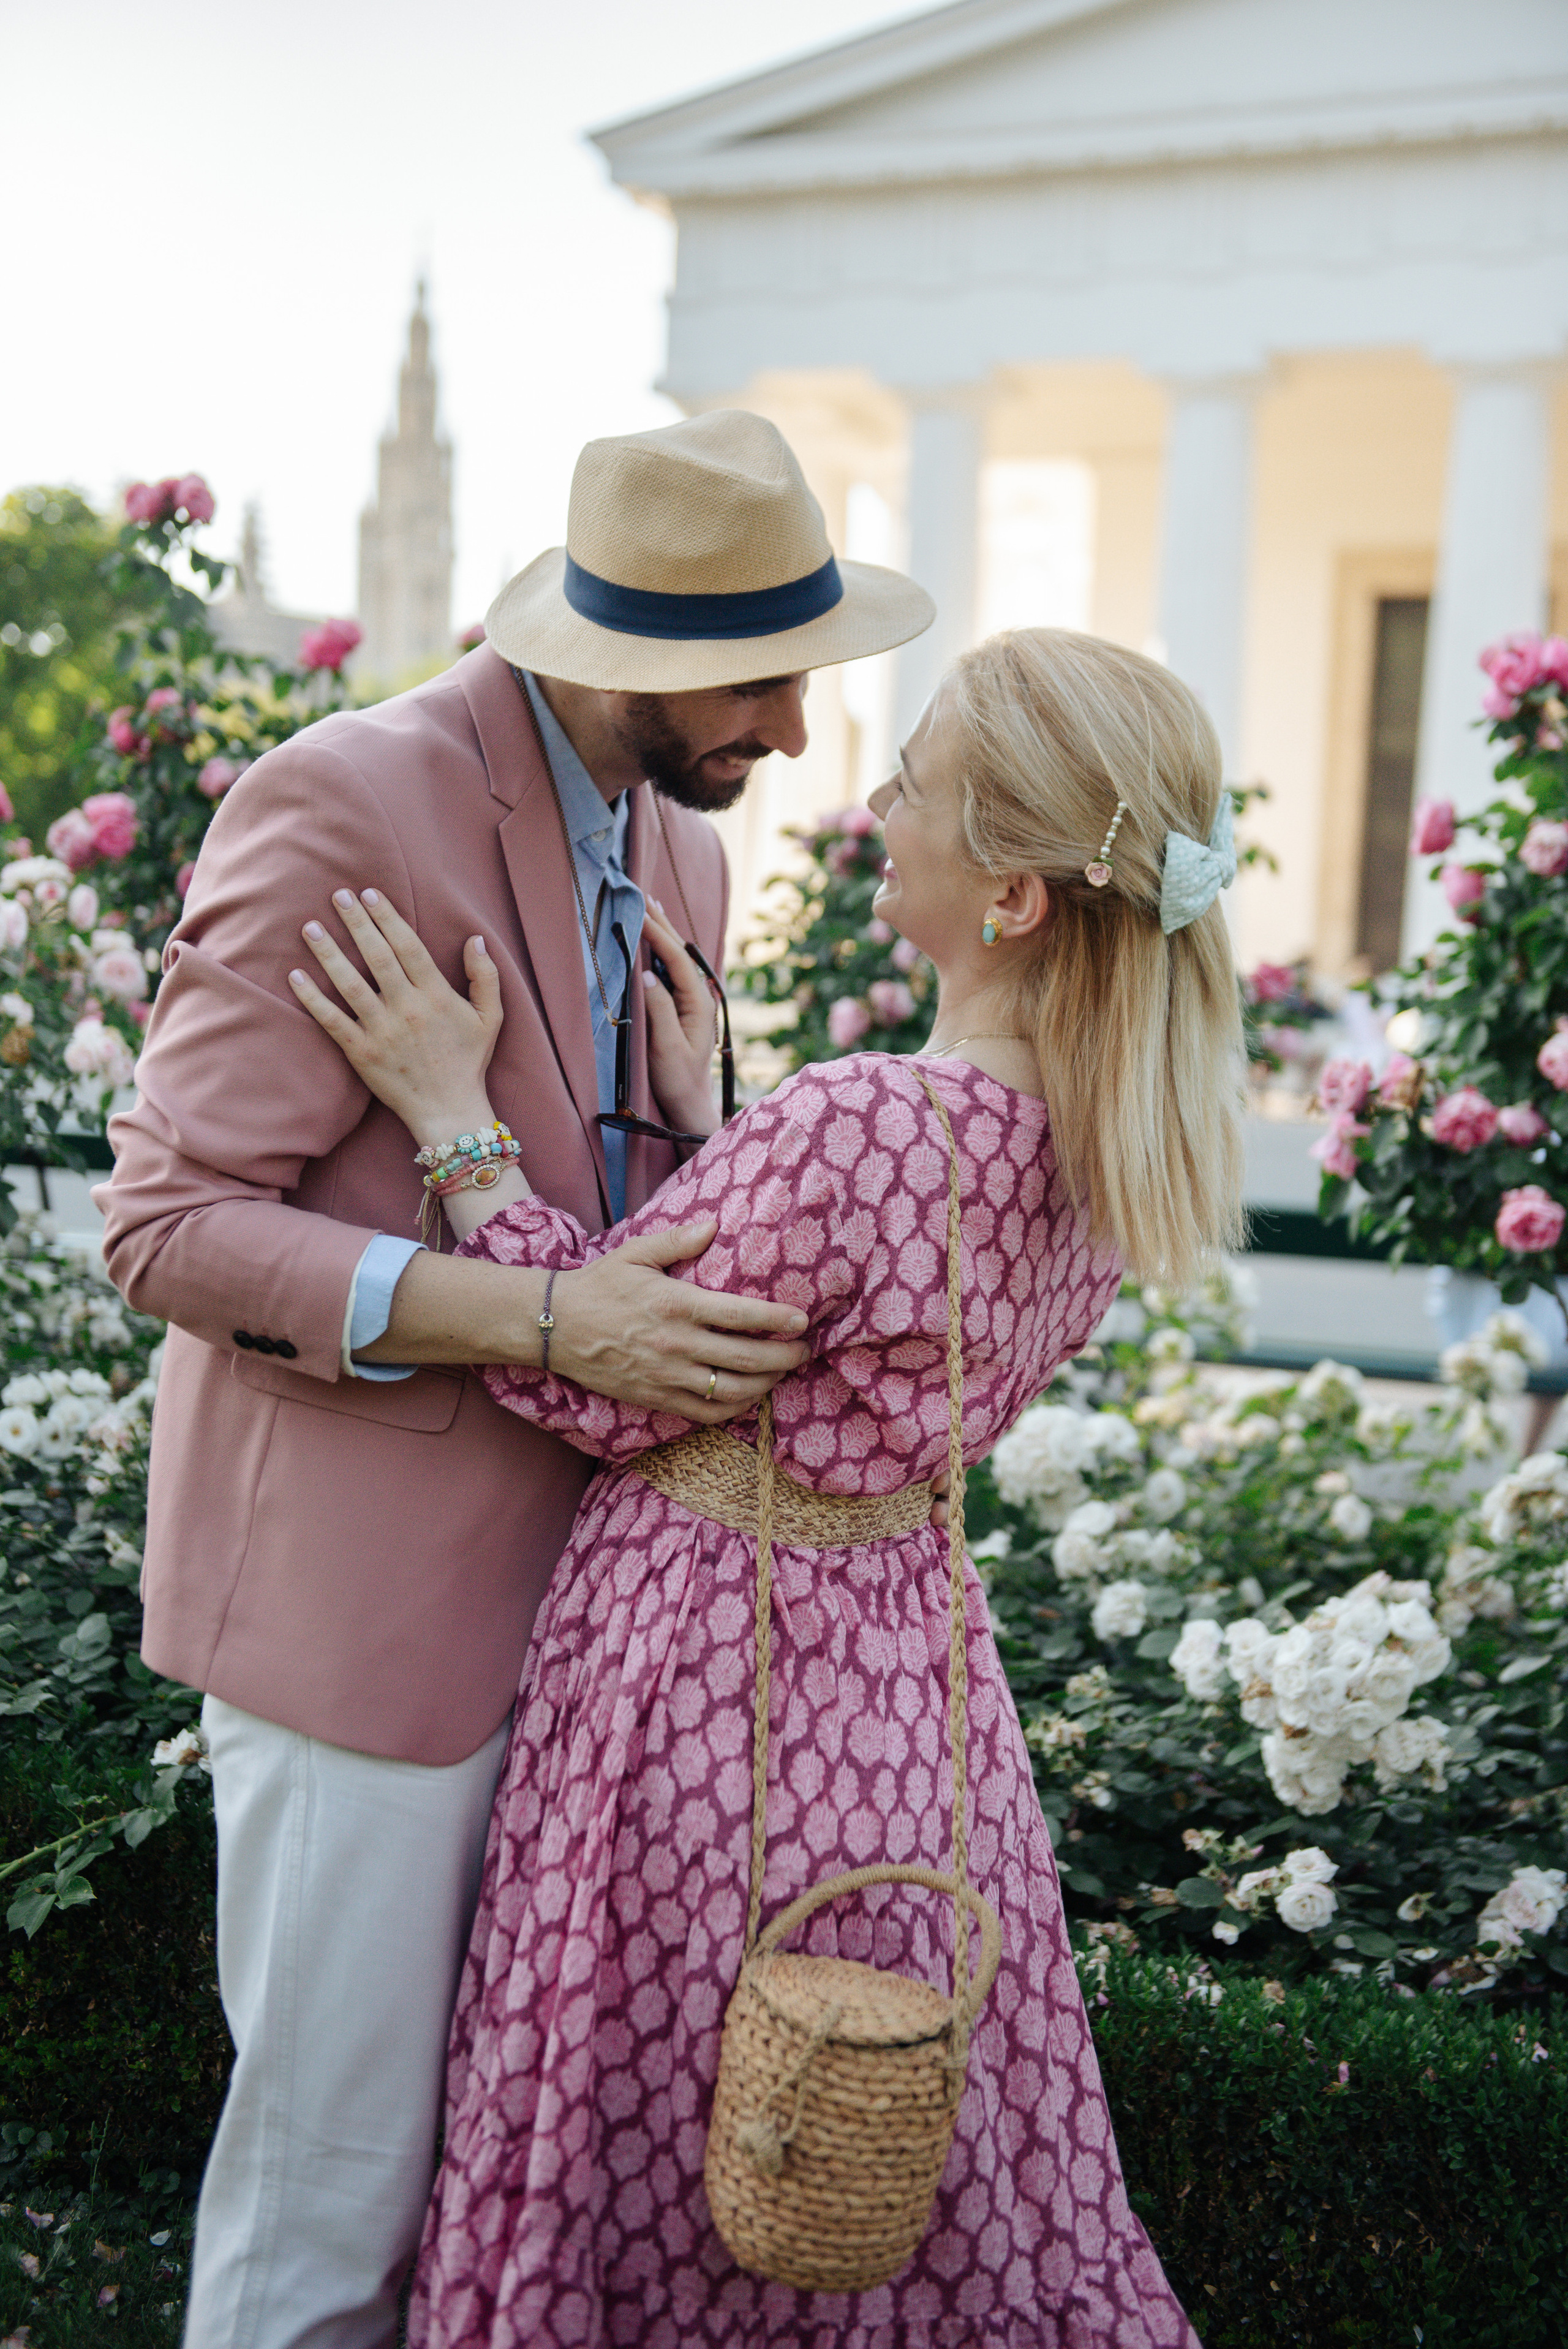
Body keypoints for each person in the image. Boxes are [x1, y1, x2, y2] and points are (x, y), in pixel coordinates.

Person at [289, 625, 1245, 2348]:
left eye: (925, 785)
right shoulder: (1105, 1145)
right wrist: (720, 1124)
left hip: (709, 1694)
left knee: (650, 2163)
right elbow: (842, 1357)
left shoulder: (868, 1122)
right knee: (859, 2181)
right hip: (905, 1700)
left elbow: (584, 1366)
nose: (878, 801)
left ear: (1016, 896)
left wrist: (453, 1115)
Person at [93, 408, 934, 2349]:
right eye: (766, 677)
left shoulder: (684, 851)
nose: (797, 734)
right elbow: (164, 1226)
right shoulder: (344, 802)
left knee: (483, 2218)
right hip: (362, 1645)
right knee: (328, 2221)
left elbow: (644, 1234)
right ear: (622, 649)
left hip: (591, 1678)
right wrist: (544, 1323)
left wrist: (707, 1132)